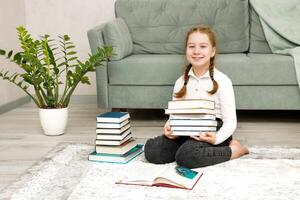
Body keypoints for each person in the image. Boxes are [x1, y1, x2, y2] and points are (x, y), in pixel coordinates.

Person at [144, 25, 249, 169]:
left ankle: (234, 150)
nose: (196, 51)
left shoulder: (223, 81)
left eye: (203, 46)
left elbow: (230, 122)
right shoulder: (180, 82)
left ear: (212, 51)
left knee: (186, 157)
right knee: (152, 150)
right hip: (186, 128)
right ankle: (188, 147)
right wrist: (170, 127)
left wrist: (217, 138)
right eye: (191, 46)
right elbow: (175, 115)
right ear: (186, 50)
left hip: (212, 129)